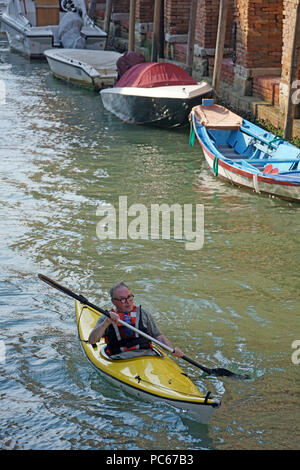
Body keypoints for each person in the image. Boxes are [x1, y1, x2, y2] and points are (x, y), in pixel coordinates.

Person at [88, 282, 183, 360]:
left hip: (148, 356)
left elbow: (158, 336)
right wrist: (106, 323)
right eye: (122, 299)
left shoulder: (143, 314)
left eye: (129, 297)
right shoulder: (107, 317)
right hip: (120, 359)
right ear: (113, 301)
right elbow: (92, 340)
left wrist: (172, 350)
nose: (128, 301)